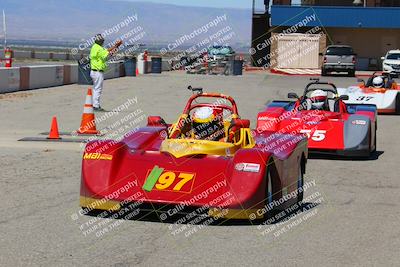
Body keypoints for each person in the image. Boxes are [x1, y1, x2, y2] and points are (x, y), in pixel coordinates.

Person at [90, 34, 123, 111]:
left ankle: (95, 104)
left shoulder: (95, 47)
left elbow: (108, 52)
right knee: (98, 89)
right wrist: (116, 46)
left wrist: (116, 46)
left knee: (96, 88)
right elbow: (108, 53)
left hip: (93, 71)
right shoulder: (99, 48)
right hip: (98, 72)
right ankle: (96, 106)